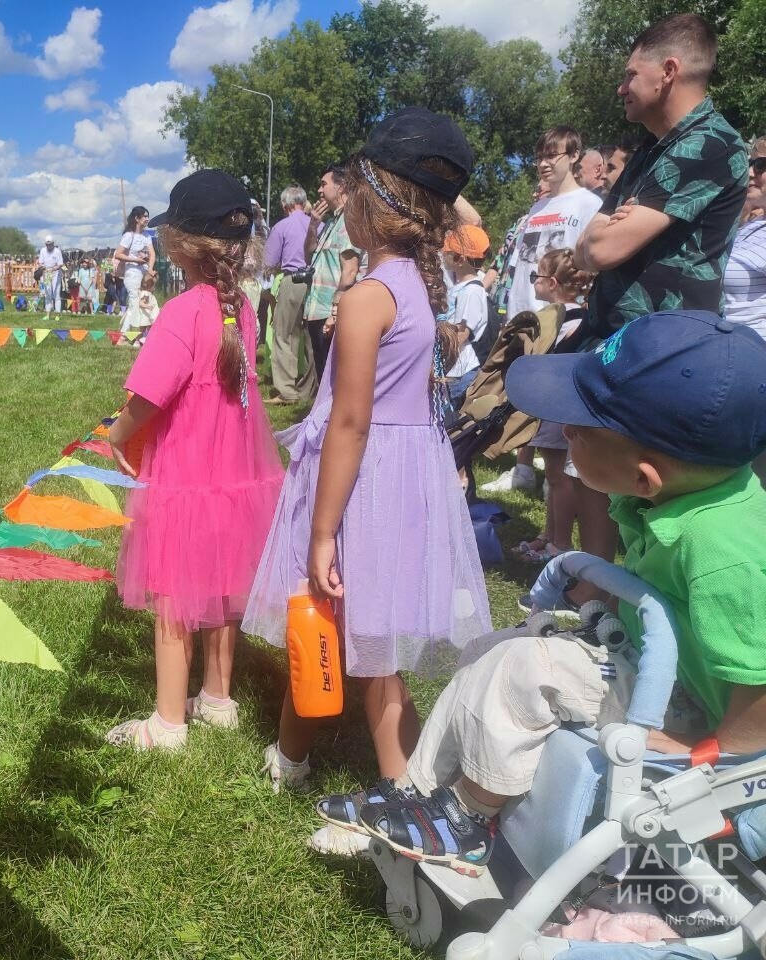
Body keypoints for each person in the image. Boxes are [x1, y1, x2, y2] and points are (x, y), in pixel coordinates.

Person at [315, 310, 766, 870]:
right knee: (491, 650)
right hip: (666, 671)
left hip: (711, 725)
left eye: (578, 428)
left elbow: (760, 688)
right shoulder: (677, 498)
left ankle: (468, 819)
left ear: (645, 476)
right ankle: (417, 788)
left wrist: (712, 760)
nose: (564, 434)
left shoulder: (724, 552)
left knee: (527, 670)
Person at [244, 108, 491, 791]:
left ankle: (406, 801)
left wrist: (322, 532)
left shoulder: (366, 298)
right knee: (349, 634)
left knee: (354, 644)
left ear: (373, 202)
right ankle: (296, 757)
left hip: (358, 489)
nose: (338, 201)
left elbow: (350, 424)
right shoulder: (415, 286)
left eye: (350, 188)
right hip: (403, 481)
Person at [105, 169, 285, 750]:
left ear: (181, 243)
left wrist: (115, 435)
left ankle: (167, 722)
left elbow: (147, 398)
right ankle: (217, 696)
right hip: (233, 473)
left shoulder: (182, 312)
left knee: (174, 593)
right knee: (224, 581)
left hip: (186, 472)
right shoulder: (242, 310)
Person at [570, 12, 747, 605]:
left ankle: (647, 611)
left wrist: (609, 233)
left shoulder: (710, 142)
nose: (621, 86)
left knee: (649, 484)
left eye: (630, 73)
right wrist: (603, 234)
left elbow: (607, 244)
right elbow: (587, 243)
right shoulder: (651, 150)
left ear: (668, 71)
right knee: (603, 470)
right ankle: (604, 600)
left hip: (666, 351)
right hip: (624, 340)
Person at [482, 125, 601, 496]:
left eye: (554, 155)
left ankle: (564, 476)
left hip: (561, 318)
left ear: (574, 156)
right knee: (523, 392)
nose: (544, 163)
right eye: (540, 156)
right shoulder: (537, 207)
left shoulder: (589, 205)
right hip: (525, 311)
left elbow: (590, 263)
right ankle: (522, 468)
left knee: (557, 397)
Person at [510, 248, 595, 566]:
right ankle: (549, 535)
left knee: (559, 478)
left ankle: (559, 544)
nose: (533, 282)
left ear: (554, 282)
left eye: (536, 276)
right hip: (559, 407)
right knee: (555, 477)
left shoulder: (561, 319)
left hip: (557, 408)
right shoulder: (576, 315)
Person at [302, 162, 360, 375]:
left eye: (323, 184)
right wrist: (313, 226)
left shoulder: (348, 221)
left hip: (330, 315)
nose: (319, 190)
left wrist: (334, 314)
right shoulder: (330, 223)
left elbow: (350, 272)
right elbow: (308, 255)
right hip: (318, 312)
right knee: (322, 377)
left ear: (341, 187)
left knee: (332, 381)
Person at [263, 185, 317, 405]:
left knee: (284, 334)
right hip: (315, 281)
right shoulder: (319, 225)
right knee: (311, 337)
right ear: (303, 203)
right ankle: (309, 388)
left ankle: (287, 391)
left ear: (284, 205)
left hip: (292, 280)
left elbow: (269, 262)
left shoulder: (281, 227)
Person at [439, 223, 492, 407]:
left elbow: (461, 334)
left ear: (460, 260)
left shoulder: (471, 292)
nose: (443, 254)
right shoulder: (461, 288)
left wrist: (440, 363)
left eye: (448, 252)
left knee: (451, 418)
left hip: (461, 371)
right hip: (456, 369)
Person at [723, 136, 766, 339]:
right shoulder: (755, 225)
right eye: (751, 164)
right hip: (725, 348)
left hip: (754, 353)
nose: (750, 172)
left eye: (760, 166)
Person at [114, 206, 156, 334]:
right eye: (145, 216)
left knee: (141, 301)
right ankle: (124, 336)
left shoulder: (147, 235)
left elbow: (152, 254)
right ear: (137, 218)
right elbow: (118, 254)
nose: (147, 219)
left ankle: (139, 334)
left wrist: (150, 268)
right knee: (134, 304)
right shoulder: (128, 235)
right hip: (132, 273)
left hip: (143, 272)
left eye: (148, 216)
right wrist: (135, 260)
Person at [37, 235, 65, 317]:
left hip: (56, 273)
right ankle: (47, 313)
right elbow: (40, 262)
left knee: (56, 294)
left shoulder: (57, 251)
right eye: (47, 245)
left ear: (53, 243)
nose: (48, 246)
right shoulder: (42, 250)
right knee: (48, 294)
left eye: (50, 244)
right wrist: (45, 268)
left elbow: (60, 264)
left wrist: (53, 269)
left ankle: (57, 314)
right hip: (46, 273)